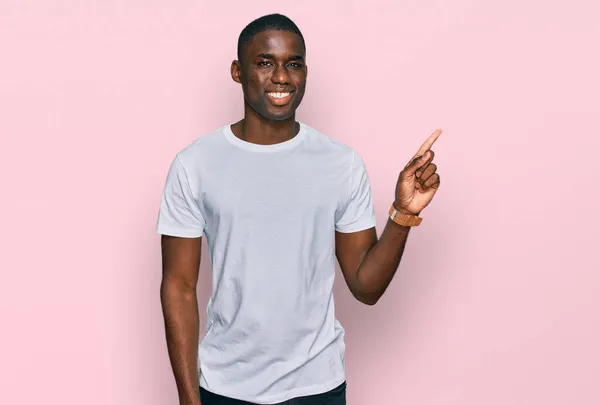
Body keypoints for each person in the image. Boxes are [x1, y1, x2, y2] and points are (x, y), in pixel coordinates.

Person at [156, 13, 442, 405]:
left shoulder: (340, 163)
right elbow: (178, 287)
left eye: (293, 63)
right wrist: (189, 400)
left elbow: (365, 287)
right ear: (238, 72)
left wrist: (402, 214)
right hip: (225, 387)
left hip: (317, 387)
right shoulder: (195, 164)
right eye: (264, 62)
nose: (281, 77)